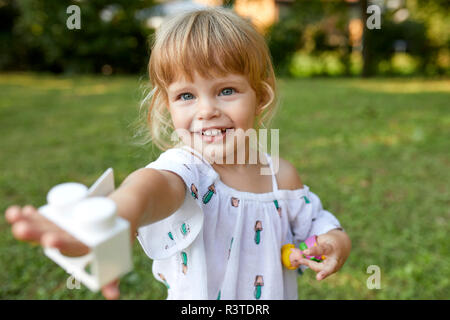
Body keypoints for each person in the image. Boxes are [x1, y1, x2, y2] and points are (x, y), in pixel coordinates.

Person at [4, 7, 351, 300]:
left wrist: (333, 243)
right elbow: (148, 189)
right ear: (167, 105)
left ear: (260, 97)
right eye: (186, 95)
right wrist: (115, 218)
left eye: (226, 90)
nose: (206, 110)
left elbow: (314, 227)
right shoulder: (186, 169)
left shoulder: (280, 176)